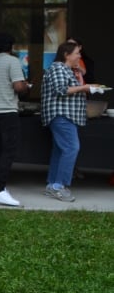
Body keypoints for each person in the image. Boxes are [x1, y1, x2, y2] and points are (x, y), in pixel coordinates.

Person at [40, 41, 103, 202]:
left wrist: (85, 84)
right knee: (71, 148)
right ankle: (59, 187)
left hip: (65, 116)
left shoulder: (66, 69)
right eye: (77, 53)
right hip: (62, 116)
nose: (79, 56)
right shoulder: (58, 68)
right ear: (67, 55)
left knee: (60, 150)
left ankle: (52, 185)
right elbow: (62, 89)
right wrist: (85, 87)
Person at [0, 33, 29, 207]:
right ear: (11, 46)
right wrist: (26, 85)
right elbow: (18, 86)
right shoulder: (13, 62)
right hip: (7, 110)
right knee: (9, 150)